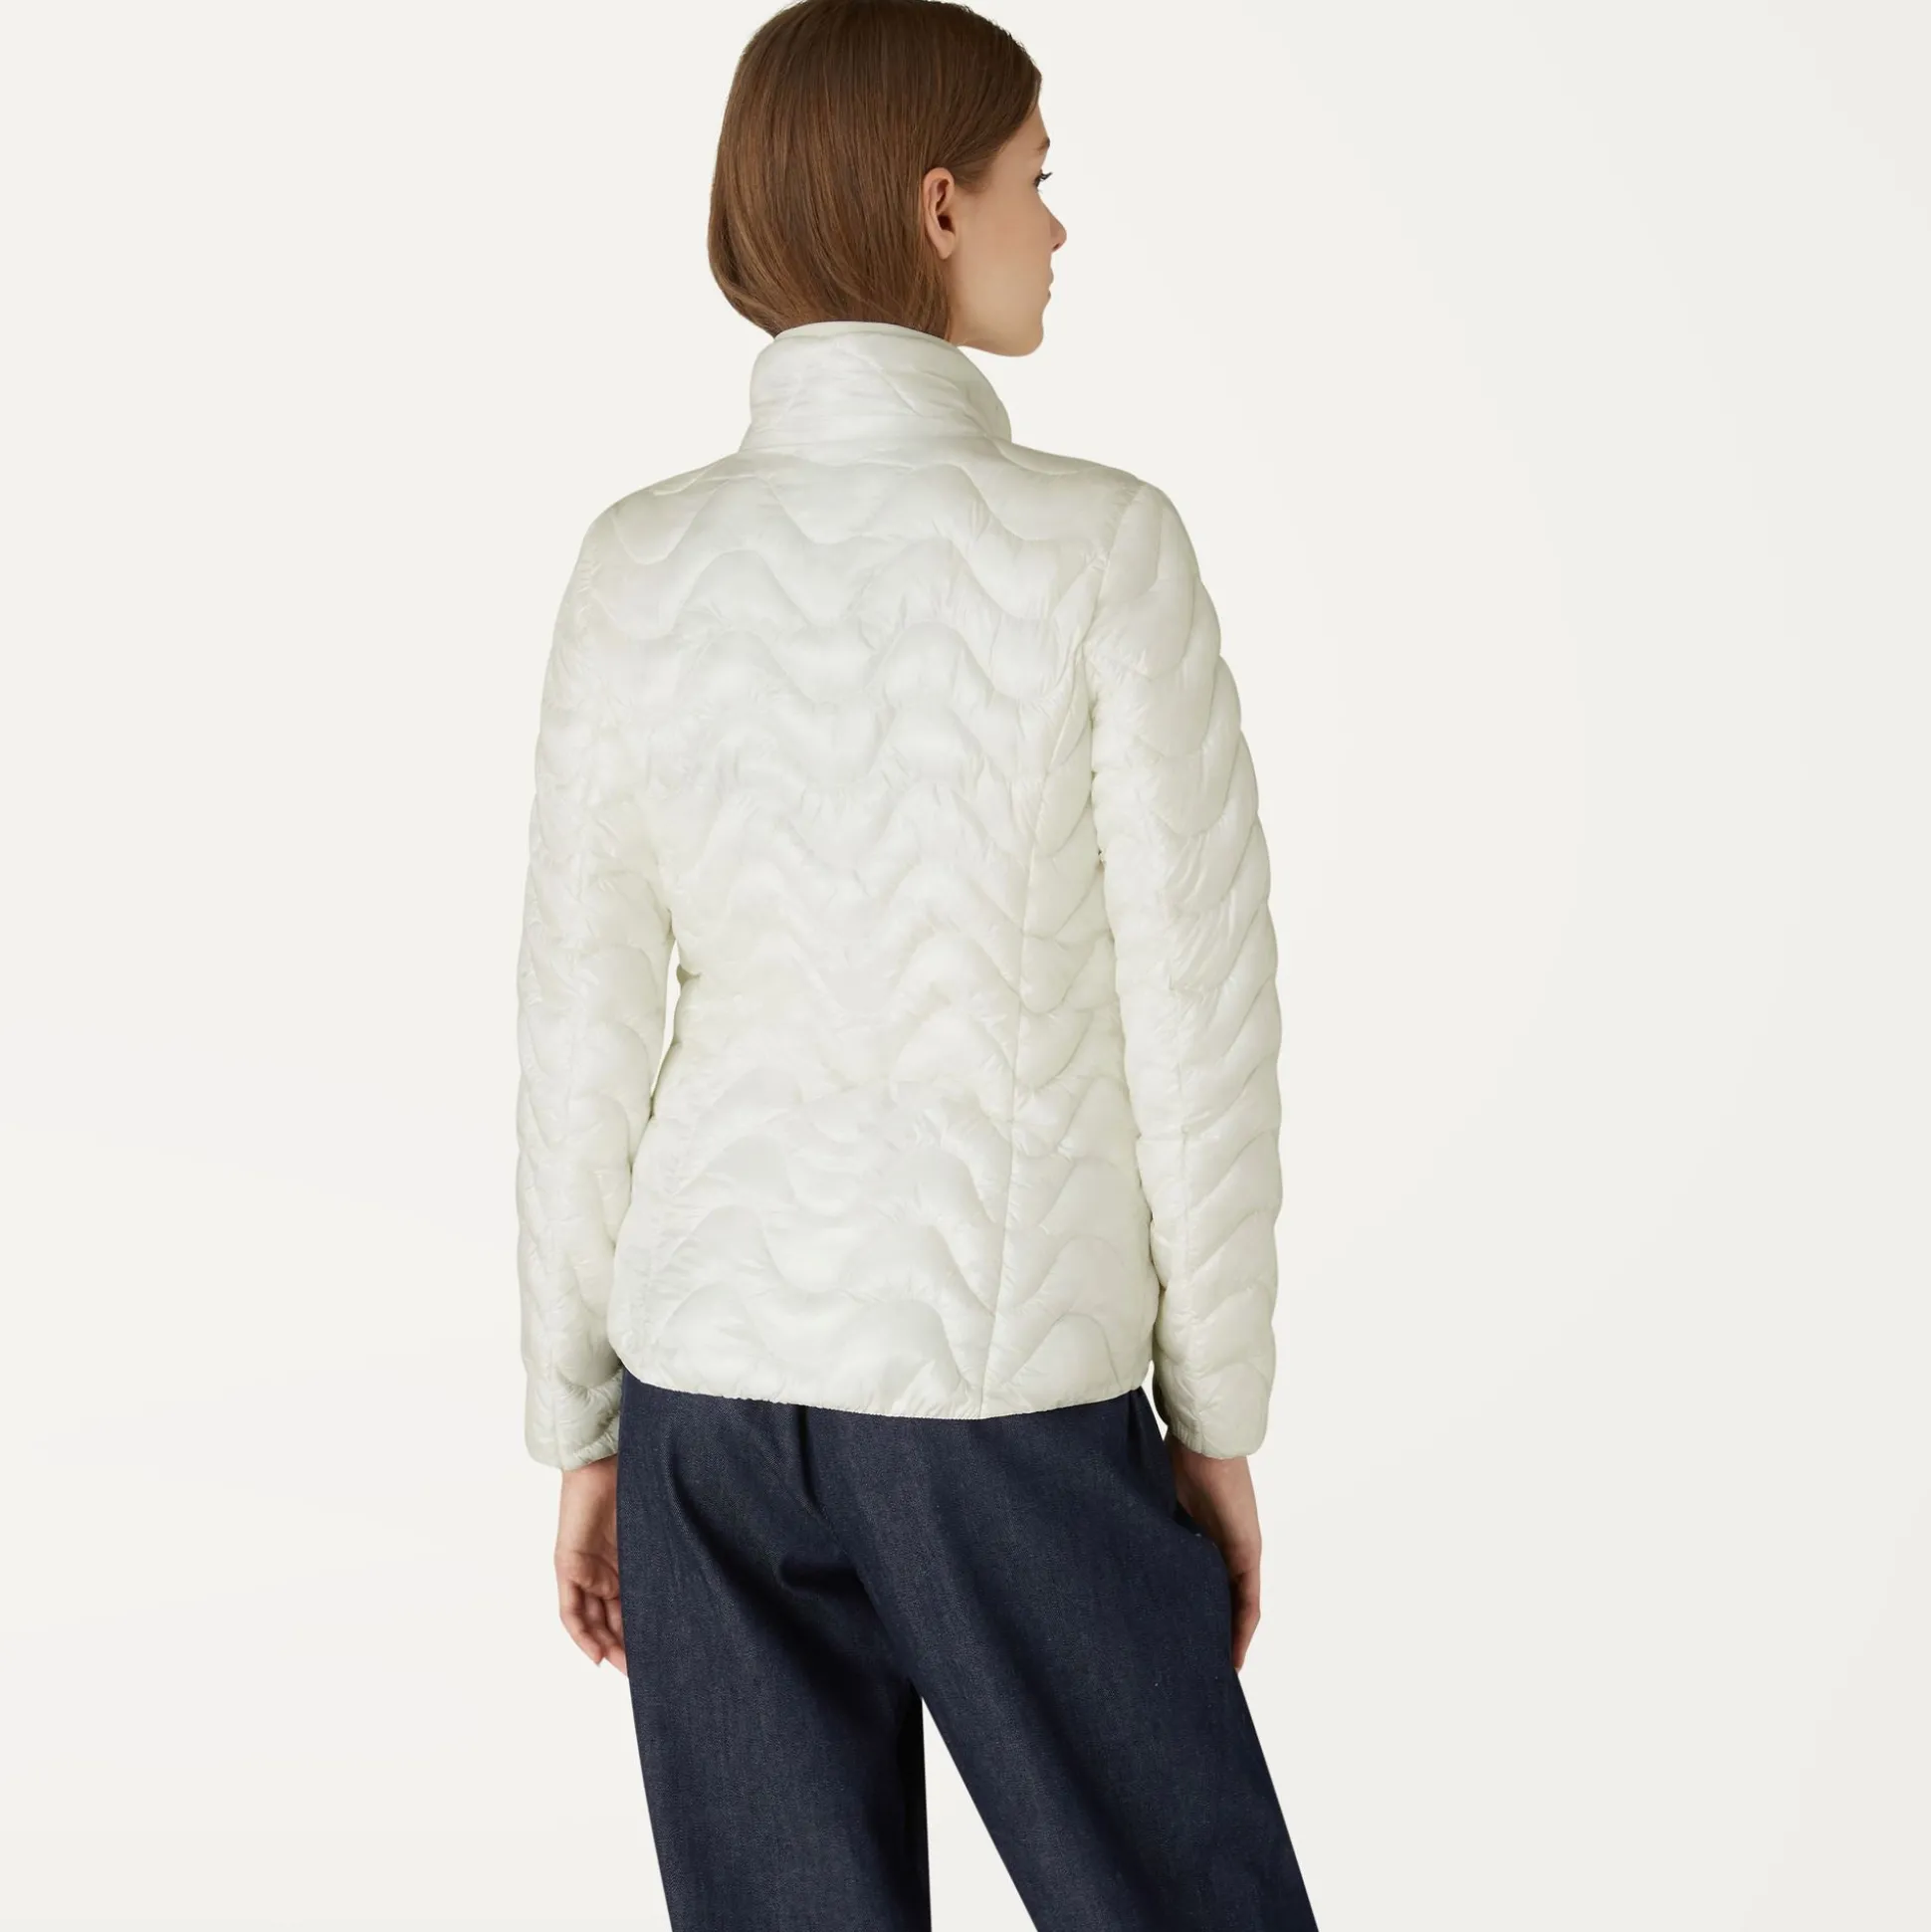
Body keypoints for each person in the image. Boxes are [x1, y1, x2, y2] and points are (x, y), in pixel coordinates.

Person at [513, 2, 1321, 1925]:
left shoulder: (638, 563)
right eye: (1042, 178)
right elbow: (1201, 1028)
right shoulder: (1100, 551)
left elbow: (580, 1034)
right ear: (939, 205)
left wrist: (583, 1429)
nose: (1061, 226)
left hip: (704, 1407)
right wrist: (1214, 1423)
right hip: (1004, 1410)